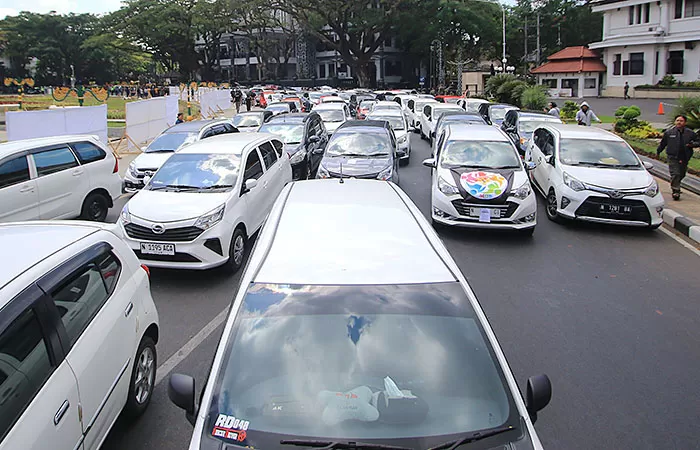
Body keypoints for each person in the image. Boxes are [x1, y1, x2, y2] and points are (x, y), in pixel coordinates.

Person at [656, 115, 700, 200]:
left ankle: (676, 183)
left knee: (682, 174)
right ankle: (676, 191)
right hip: (673, 156)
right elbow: (663, 144)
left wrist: (692, 144)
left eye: (681, 121)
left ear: (685, 122)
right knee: (675, 173)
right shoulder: (669, 133)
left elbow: (698, 141)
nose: (679, 122)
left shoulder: (690, 133)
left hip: (685, 157)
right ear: (675, 122)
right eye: (677, 120)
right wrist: (658, 152)